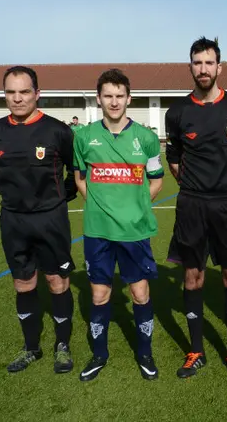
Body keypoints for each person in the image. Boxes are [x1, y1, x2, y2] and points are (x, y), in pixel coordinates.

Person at [164, 36, 227, 381]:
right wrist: (194, 187)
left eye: (208, 63)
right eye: (197, 62)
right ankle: (196, 351)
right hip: (192, 206)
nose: (203, 69)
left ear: (219, 67)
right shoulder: (177, 113)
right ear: (190, 67)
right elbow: (174, 160)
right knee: (193, 275)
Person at [0, 66, 78, 374]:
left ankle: (62, 346)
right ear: (4, 95)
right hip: (14, 221)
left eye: (24, 92)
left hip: (51, 219)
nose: (17, 98)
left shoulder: (58, 131)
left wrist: (57, 198)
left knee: (57, 281)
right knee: (23, 283)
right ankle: (31, 348)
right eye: (11, 92)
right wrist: (13, 196)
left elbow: (75, 172)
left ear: (37, 93)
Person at [73, 69, 164, 382]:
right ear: (98, 99)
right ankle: (99, 355)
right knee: (99, 295)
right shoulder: (83, 137)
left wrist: (134, 208)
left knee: (139, 292)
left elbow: (157, 180)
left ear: (129, 98)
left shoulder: (146, 139)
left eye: (119, 96)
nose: (114, 102)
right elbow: (80, 179)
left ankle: (145, 353)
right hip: (97, 230)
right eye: (108, 96)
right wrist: (102, 207)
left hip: (134, 231)